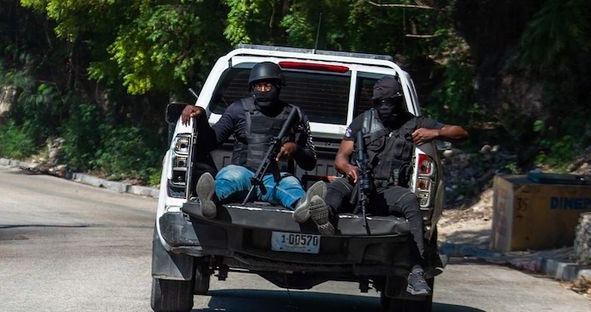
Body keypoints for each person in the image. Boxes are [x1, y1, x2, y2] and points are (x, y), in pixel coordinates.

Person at [322, 76, 468, 295]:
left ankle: (417, 271)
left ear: (399, 101)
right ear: (374, 103)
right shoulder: (363, 122)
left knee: (411, 202)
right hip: (359, 183)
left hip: (389, 189)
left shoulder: (416, 123)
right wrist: (349, 169)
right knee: (335, 189)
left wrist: (435, 133)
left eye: (390, 102)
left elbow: (461, 133)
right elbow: (341, 158)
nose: (385, 107)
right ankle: (322, 217)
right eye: (380, 103)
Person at [180, 61, 328, 230]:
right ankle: (209, 201)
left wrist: (295, 149)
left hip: (276, 178)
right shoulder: (238, 109)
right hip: (242, 174)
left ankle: (305, 206)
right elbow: (210, 142)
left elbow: (310, 162)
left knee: (291, 185)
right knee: (230, 177)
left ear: (278, 86)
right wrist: (200, 117)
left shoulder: (295, 114)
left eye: (268, 86)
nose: (263, 90)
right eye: (259, 86)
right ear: (252, 88)